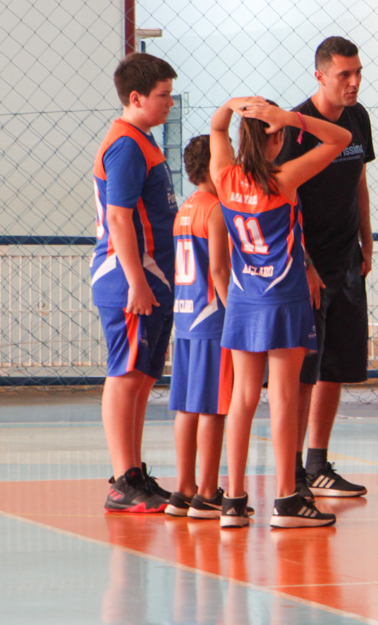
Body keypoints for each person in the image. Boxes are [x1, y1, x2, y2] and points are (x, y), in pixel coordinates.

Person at [210, 97, 351, 528]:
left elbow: (216, 129)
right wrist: (290, 117)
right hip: (283, 295)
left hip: (243, 297)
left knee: (243, 398)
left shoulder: (224, 177)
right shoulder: (284, 179)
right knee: (284, 398)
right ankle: (287, 499)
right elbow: (341, 138)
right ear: (276, 138)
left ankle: (233, 501)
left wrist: (230, 106)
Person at [276, 36, 374, 499]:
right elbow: (283, 202)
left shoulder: (358, 117)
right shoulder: (294, 129)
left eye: (358, 73)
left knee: (335, 367)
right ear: (320, 76)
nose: (353, 82)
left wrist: (367, 241)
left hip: (347, 260)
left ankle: (317, 463)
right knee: (304, 373)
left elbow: (360, 181)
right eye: (344, 75)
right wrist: (305, 263)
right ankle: (293, 469)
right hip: (308, 267)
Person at [93, 52, 178, 513]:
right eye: (163, 96)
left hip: (154, 279)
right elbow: (119, 219)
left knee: (143, 378)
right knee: (125, 375)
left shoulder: (144, 141)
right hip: (132, 280)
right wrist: (136, 282)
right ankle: (121, 480)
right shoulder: (126, 144)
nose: (169, 103)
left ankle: (134, 473)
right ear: (136, 97)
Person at [165, 136, 234, 519]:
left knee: (187, 407)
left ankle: (184, 488)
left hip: (186, 318)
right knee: (213, 408)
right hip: (212, 320)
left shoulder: (185, 210)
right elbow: (219, 269)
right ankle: (207, 492)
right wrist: (236, 315)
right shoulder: (217, 210)